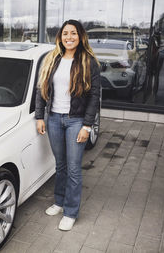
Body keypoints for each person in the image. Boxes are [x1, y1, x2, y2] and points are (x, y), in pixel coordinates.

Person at [35, 19, 101, 231]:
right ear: (60, 37)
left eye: (73, 33)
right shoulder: (52, 58)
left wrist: (87, 126)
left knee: (73, 169)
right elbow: (41, 89)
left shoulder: (89, 61)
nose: (69, 37)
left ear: (80, 36)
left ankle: (71, 212)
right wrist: (39, 117)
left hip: (76, 121)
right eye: (65, 33)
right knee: (60, 165)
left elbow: (94, 97)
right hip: (54, 118)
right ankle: (59, 202)